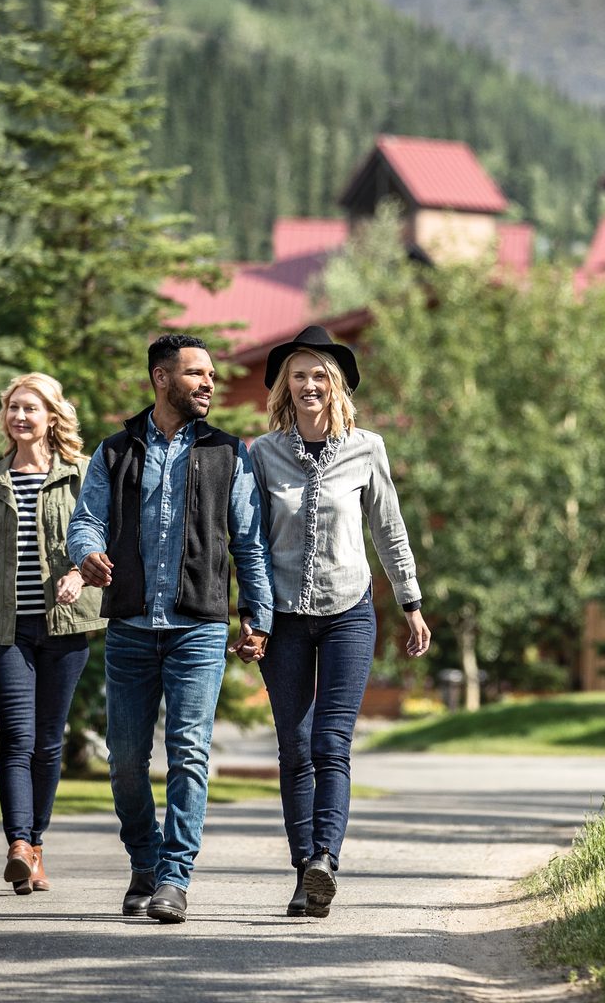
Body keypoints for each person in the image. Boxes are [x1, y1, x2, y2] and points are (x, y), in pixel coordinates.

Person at [67, 333, 273, 924]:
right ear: (162, 379)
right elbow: (86, 521)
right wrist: (86, 554)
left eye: (210, 374)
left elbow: (250, 545)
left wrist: (257, 618)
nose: (209, 383)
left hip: (198, 631)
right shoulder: (114, 451)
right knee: (126, 757)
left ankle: (174, 878)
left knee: (188, 751)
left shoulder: (231, 454)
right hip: (130, 627)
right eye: (196, 374)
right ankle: (144, 861)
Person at [249, 325, 431, 918]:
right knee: (294, 746)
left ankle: (326, 856)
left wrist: (410, 600)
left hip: (349, 610)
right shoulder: (261, 454)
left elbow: (389, 527)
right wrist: (251, 615)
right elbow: (248, 542)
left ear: (337, 386)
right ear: (285, 386)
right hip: (283, 618)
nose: (308, 384)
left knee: (331, 742)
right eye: (297, 375)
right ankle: (306, 872)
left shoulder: (367, 447)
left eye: (318, 375)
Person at [0, 373, 105, 896]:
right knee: (18, 739)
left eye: (31, 408)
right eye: (13, 408)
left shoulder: (83, 474)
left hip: (66, 626)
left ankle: (37, 847)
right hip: (7, 627)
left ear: (53, 416)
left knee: (50, 744)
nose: (20, 417)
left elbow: (103, 537)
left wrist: (79, 572)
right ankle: (18, 845)